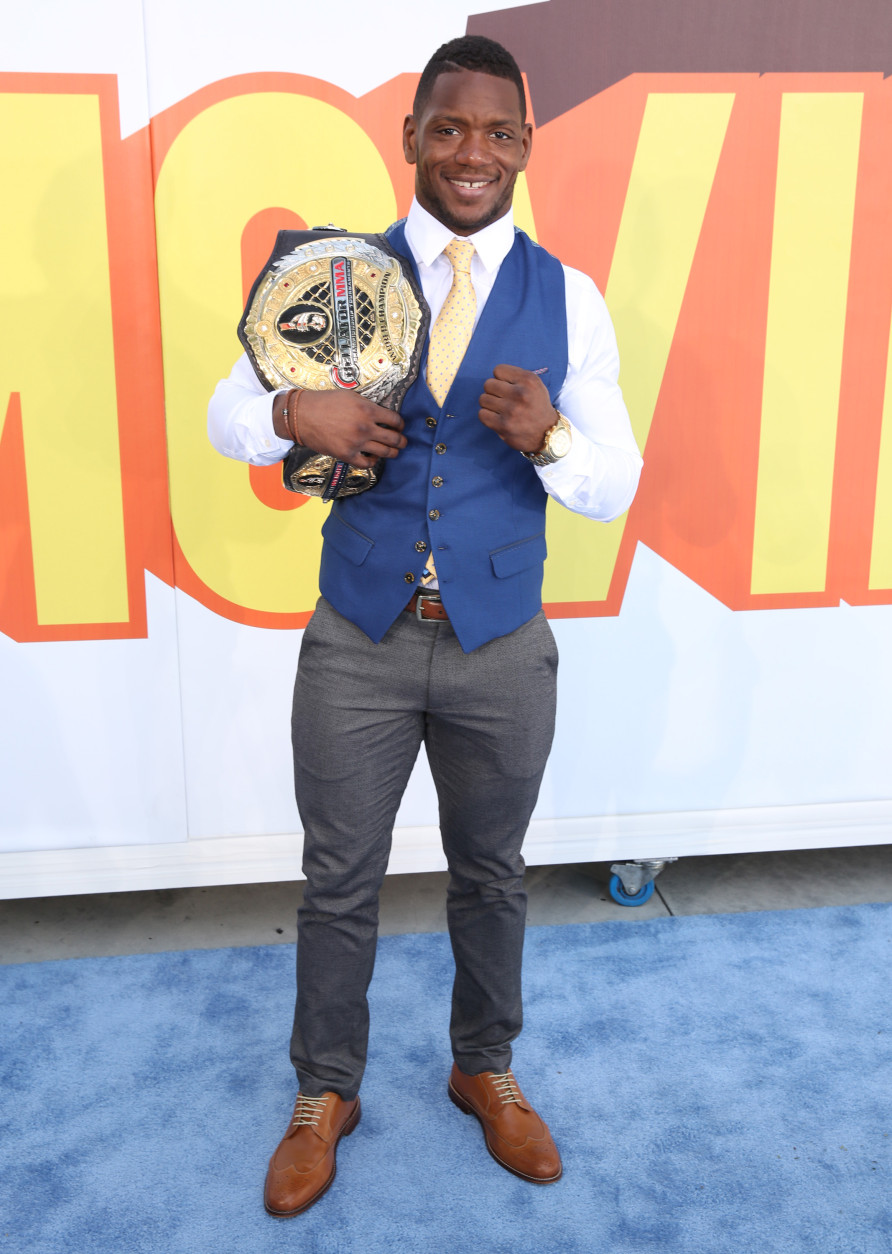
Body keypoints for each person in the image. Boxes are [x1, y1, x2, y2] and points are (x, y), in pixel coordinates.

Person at [209, 34, 642, 1216]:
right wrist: (300, 406)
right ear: (410, 137)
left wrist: (549, 434)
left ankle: (484, 1070)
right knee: (338, 878)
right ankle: (323, 1093)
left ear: (524, 147)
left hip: (502, 640)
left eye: (498, 132)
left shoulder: (570, 296)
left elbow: (615, 481)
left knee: (492, 876)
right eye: (449, 127)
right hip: (360, 631)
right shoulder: (339, 271)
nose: (472, 153)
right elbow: (226, 407)